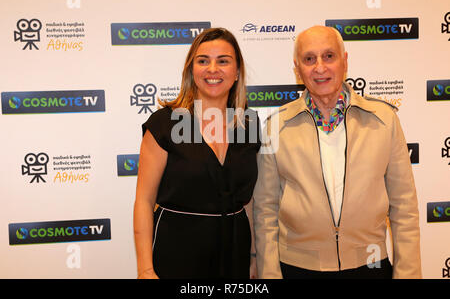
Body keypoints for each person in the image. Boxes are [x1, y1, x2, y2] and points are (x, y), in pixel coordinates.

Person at [253, 25, 421, 279]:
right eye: (309, 59)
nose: (320, 67)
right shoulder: (276, 126)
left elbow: (404, 208)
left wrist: (408, 274)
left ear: (344, 61)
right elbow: (265, 211)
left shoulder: (384, 120)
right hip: (298, 268)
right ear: (297, 69)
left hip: (371, 265)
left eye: (328, 56)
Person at [133, 28, 261, 279]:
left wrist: (253, 256)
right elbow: (144, 202)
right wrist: (145, 270)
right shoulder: (165, 124)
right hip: (177, 253)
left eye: (223, 61)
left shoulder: (249, 124)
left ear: (237, 72)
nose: (213, 69)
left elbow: (248, 203)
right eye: (203, 61)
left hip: (234, 254)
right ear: (192, 70)